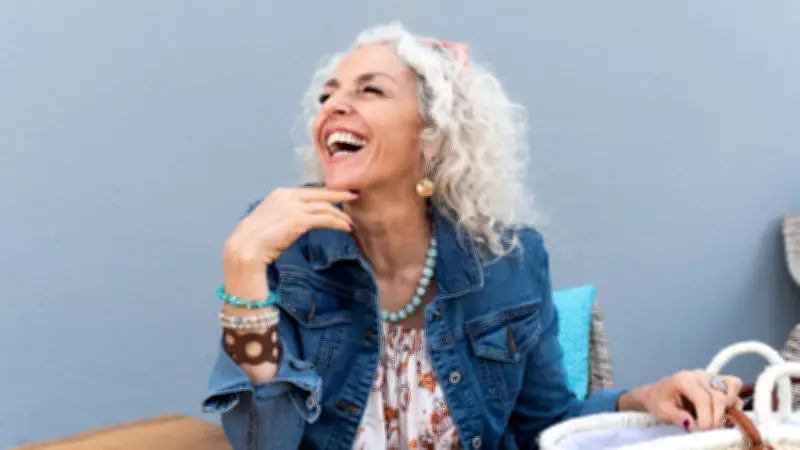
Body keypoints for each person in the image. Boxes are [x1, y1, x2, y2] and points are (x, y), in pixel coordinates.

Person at [203, 22, 743, 450]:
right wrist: (242, 269)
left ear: (432, 137)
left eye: (370, 90)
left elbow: (545, 426)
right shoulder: (283, 246)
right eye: (328, 96)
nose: (333, 107)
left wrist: (643, 399)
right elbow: (262, 442)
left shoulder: (509, 260)